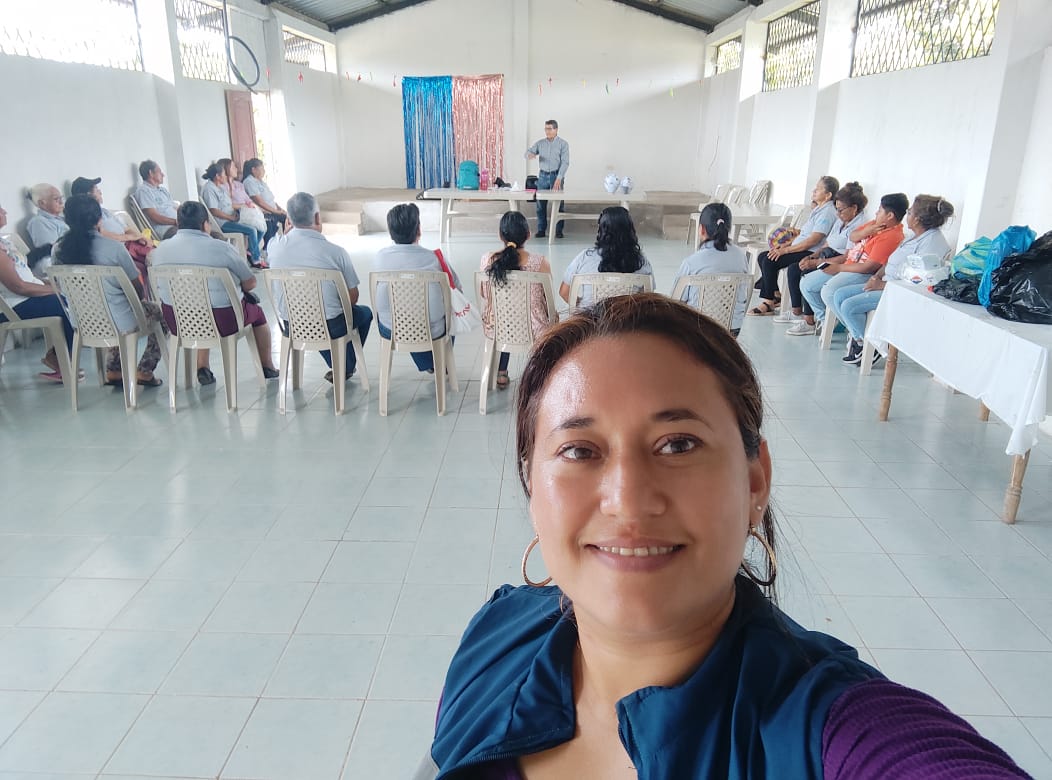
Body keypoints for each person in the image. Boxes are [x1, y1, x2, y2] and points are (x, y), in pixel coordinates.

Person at [420, 293, 1028, 780]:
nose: (628, 499)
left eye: (678, 444)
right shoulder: (496, 636)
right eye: (579, 450)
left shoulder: (832, 728)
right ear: (533, 489)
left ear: (755, 480)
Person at [150, 200, 279, 385]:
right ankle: (267, 366)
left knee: (197, 306)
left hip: (177, 320)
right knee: (257, 314)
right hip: (223, 321)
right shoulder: (222, 248)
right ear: (205, 224)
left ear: (178, 223)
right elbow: (250, 282)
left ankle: (202, 367)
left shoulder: (160, 250)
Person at [52, 194, 165, 388]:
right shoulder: (113, 248)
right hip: (120, 321)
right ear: (99, 219)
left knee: (115, 310)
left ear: (67, 219)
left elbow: (59, 285)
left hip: (82, 321)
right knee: (159, 313)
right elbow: (136, 289)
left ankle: (114, 370)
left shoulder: (58, 249)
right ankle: (145, 370)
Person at [832, 194, 955, 366]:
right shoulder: (914, 235)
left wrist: (881, 284)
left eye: (910, 212)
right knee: (839, 295)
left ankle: (868, 345)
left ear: (918, 219)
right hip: (887, 285)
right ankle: (860, 336)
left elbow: (919, 281)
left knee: (849, 306)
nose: (907, 215)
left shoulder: (932, 243)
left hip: (900, 293)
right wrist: (876, 277)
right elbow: (891, 262)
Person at [267, 191, 372, 383]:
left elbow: (279, 243)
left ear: (288, 220)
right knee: (364, 314)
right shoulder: (336, 252)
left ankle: (343, 366)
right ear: (317, 217)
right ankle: (345, 366)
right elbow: (352, 297)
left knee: (318, 316)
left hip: (292, 325)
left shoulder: (274, 247)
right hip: (331, 327)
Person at [790, 192, 907, 336]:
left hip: (861, 272)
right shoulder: (875, 225)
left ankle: (853, 332)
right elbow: (852, 236)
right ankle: (828, 321)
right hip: (848, 265)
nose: (876, 213)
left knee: (828, 291)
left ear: (890, 215)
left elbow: (868, 267)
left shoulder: (892, 236)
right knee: (807, 284)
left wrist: (838, 267)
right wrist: (867, 231)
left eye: (880, 210)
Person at [374, 203, 462, 373]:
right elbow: (457, 291)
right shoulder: (435, 259)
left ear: (391, 233)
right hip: (432, 331)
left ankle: (429, 363)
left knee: (406, 313)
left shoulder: (380, 258)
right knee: (446, 315)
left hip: (391, 329)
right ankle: (438, 361)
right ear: (419, 230)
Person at [479, 211, 555, 389]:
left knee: (505, 312)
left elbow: (484, 293)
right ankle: (539, 376)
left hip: (498, 327)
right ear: (528, 235)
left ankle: (501, 372)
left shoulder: (488, 260)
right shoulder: (540, 263)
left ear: (500, 236)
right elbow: (548, 296)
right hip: (534, 328)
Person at [0, 201, 75, 382]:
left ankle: (60, 357)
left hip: (26, 296)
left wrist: (51, 285)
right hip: (13, 305)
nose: (4, 211)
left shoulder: (4, 242)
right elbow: (18, 286)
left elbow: (25, 275)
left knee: (72, 296)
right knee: (62, 303)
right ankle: (63, 361)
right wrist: (54, 290)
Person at [750, 175, 839, 318]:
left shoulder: (828, 212)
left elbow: (813, 240)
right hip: (800, 247)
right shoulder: (819, 209)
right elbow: (804, 234)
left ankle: (768, 302)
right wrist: (786, 244)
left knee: (769, 260)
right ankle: (775, 294)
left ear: (828, 195)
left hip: (810, 252)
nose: (814, 191)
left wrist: (785, 250)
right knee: (763, 256)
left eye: (818, 189)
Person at [672, 201, 749, 336]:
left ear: (701, 229)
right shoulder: (741, 256)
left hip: (698, 331)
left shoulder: (691, 263)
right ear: (728, 228)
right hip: (732, 331)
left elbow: (675, 302)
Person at [560, 206, 653, 307]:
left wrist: (582, 308)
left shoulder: (584, 258)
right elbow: (648, 300)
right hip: (627, 317)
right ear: (630, 230)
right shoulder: (642, 262)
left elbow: (564, 292)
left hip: (589, 316)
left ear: (601, 230)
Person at [70, 176, 153, 282]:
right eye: (96, 189)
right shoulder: (88, 220)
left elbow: (126, 228)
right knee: (143, 267)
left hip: (129, 244)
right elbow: (103, 235)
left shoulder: (105, 212)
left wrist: (139, 237)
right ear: (88, 195)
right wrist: (132, 237)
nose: (100, 192)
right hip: (122, 249)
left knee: (155, 255)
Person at [200, 162, 265, 268]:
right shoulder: (209, 189)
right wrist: (230, 217)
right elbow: (214, 210)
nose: (226, 176)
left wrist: (243, 208)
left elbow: (229, 205)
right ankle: (256, 260)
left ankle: (250, 251)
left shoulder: (220, 187)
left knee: (260, 227)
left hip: (232, 217)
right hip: (223, 222)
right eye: (224, 174)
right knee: (252, 230)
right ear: (217, 176)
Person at [525, 119, 569, 239]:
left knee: (559, 205)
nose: (547, 131)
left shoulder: (563, 144)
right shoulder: (540, 143)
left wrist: (559, 178)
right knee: (540, 204)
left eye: (549, 129)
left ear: (556, 129)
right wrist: (530, 155)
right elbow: (527, 153)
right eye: (546, 129)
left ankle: (558, 231)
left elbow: (565, 162)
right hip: (543, 176)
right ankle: (541, 230)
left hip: (556, 176)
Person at [242, 158, 286, 248]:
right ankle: (268, 249)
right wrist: (276, 211)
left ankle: (285, 244)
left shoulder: (261, 181)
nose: (264, 171)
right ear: (254, 170)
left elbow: (270, 199)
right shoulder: (249, 182)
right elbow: (259, 202)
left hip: (273, 210)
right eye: (262, 169)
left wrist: (280, 208)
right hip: (264, 212)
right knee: (270, 224)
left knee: (288, 219)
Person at [218, 158, 267, 237]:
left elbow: (248, 199)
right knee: (256, 228)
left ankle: (254, 246)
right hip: (238, 214)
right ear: (226, 169)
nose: (236, 169)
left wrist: (253, 206)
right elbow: (228, 205)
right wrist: (243, 206)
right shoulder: (222, 187)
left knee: (263, 227)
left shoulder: (239, 184)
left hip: (247, 212)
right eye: (233, 167)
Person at [132, 160, 179, 238]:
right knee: (188, 235)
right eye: (160, 172)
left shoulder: (163, 190)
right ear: (151, 173)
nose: (163, 175)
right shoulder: (143, 191)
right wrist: (176, 222)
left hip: (178, 224)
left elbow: (175, 208)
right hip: (166, 229)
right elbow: (154, 216)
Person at [25, 183, 68, 260]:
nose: (61, 202)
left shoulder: (61, 218)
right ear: (42, 203)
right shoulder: (39, 222)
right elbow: (49, 253)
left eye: (61, 198)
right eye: (56, 199)